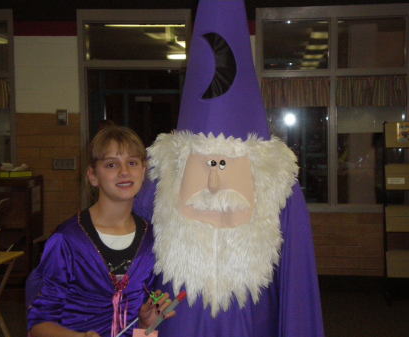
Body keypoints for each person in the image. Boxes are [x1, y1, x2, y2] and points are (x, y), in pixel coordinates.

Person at [134, 1, 325, 336]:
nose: (213, 180)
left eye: (226, 164)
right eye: (203, 163)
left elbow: (296, 283)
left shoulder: (278, 184)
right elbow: (132, 258)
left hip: (252, 325)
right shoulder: (161, 179)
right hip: (177, 323)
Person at [27, 125, 171, 337]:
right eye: (111, 164)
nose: (124, 172)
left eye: (132, 163)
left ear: (143, 171)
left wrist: (145, 323)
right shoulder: (67, 240)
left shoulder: (151, 240)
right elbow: (38, 325)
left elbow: (143, 328)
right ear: (93, 176)